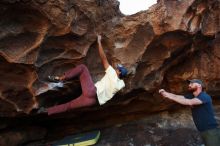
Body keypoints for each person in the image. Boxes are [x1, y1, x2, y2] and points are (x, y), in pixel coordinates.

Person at [38, 35, 128, 115]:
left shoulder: (112, 74)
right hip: (92, 101)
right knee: (68, 106)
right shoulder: (120, 85)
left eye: (118, 69)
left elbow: (103, 59)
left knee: (82, 68)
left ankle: (60, 78)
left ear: (119, 72)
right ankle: (46, 111)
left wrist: (99, 42)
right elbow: (118, 77)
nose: (116, 68)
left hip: (91, 91)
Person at [159, 79, 220, 146]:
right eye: (189, 84)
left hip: (211, 131)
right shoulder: (191, 96)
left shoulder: (204, 96)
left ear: (199, 85)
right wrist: (166, 93)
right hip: (202, 131)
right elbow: (177, 96)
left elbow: (189, 102)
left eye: (192, 83)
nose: (189, 85)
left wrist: (169, 96)